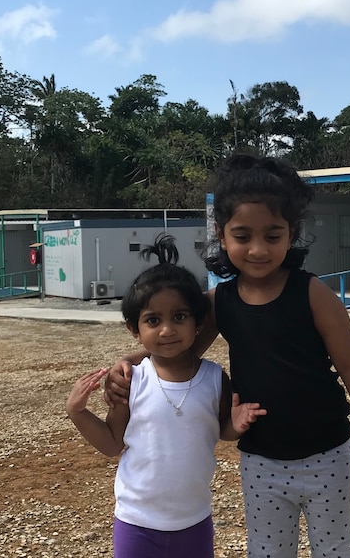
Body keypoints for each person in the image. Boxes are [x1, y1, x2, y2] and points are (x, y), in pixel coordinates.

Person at [105, 154, 350, 558]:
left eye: (272, 236)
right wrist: (128, 362)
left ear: (291, 234)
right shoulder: (221, 303)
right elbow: (175, 345)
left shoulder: (313, 295)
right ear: (221, 236)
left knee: (338, 550)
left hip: (328, 454)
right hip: (261, 461)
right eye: (243, 236)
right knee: (267, 551)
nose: (258, 249)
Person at [66, 233, 266, 558]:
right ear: (135, 329)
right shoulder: (132, 380)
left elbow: (221, 431)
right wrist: (78, 413)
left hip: (195, 521)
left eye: (179, 317)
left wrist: (238, 425)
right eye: (153, 320)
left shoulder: (215, 378)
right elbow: (111, 443)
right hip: (136, 523)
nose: (167, 330)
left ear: (199, 322)